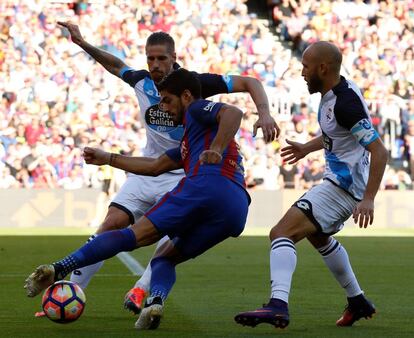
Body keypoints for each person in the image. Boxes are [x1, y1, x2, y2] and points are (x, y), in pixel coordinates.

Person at [55, 21, 279, 315]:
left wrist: (264, 113)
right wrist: (82, 43)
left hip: (187, 173)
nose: (155, 64)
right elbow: (115, 65)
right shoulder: (141, 81)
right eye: (150, 58)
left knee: (166, 242)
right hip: (151, 166)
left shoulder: (195, 84)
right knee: (110, 224)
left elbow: (249, 83)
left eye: (162, 58)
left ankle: (142, 291)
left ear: (174, 58)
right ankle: (71, 292)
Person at [25, 68, 250, 330]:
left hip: (205, 184)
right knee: (165, 258)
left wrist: (216, 149)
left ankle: (60, 267)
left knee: (132, 236)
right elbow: (154, 166)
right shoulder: (191, 141)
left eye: (166, 100)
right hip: (235, 209)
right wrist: (109, 158)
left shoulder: (198, 109)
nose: (163, 108)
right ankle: (155, 302)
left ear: (186, 96)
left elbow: (234, 112)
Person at [234, 41, 388, 329]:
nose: (302, 71)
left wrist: (368, 199)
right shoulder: (335, 94)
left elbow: (379, 151)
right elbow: (340, 135)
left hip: (343, 188)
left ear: (322, 68)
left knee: (281, 233)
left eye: (306, 66)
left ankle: (278, 305)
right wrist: (307, 147)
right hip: (339, 183)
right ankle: (357, 301)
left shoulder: (345, 104)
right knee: (319, 237)